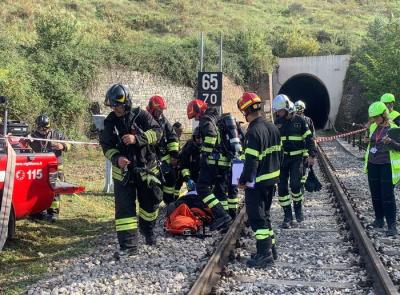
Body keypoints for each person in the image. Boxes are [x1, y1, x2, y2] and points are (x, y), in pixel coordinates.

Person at [100, 84, 163, 258]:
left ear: (126, 102)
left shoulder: (141, 115)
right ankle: (129, 247)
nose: (115, 109)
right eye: (112, 106)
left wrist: (138, 138)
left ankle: (148, 231)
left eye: (117, 105)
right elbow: (106, 146)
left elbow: (158, 132)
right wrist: (117, 158)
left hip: (146, 170)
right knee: (124, 211)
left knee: (150, 205)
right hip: (124, 174)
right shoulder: (110, 122)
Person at [237, 92, 282, 268]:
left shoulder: (253, 132)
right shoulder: (273, 128)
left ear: (247, 110)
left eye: (244, 112)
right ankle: (271, 248)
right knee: (266, 216)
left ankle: (264, 255)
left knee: (257, 218)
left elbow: (251, 162)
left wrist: (242, 180)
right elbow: (280, 154)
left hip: (258, 183)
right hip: (272, 181)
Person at [186, 99, 232, 231]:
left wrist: (204, 155)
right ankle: (226, 219)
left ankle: (222, 215)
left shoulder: (205, 119)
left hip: (213, 161)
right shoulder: (215, 117)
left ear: (199, 110)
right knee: (220, 191)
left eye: (195, 115)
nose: (195, 118)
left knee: (202, 188)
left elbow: (211, 135)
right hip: (223, 161)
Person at [273, 94, 316, 228]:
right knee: (282, 188)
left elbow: (309, 139)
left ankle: (298, 210)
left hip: (297, 159)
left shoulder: (301, 121)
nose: (278, 113)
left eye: (279, 110)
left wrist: (311, 155)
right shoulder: (278, 122)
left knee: (296, 185)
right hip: (282, 159)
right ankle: (287, 216)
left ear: (287, 108)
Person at [364, 101, 400, 236]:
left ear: (384, 115)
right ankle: (379, 220)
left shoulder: (394, 128)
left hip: (387, 166)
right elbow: (372, 141)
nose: (374, 120)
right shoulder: (373, 127)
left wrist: (391, 142)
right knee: (375, 194)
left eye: (376, 117)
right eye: (373, 117)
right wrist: (367, 140)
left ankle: (392, 225)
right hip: (373, 164)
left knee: (387, 196)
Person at [27, 115, 71, 222]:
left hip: (56, 166)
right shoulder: (32, 136)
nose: (44, 131)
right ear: (37, 127)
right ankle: (39, 212)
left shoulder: (57, 134)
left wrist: (62, 146)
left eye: (46, 128)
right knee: (39, 190)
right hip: (39, 167)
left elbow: (70, 144)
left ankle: (53, 213)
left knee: (55, 190)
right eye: (41, 129)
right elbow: (23, 143)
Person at [146, 95, 179, 204]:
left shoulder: (163, 121)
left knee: (171, 180)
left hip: (165, 159)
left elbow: (172, 137)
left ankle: (169, 203)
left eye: (162, 111)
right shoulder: (145, 119)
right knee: (155, 187)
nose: (161, 113)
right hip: (151, 161)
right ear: (152, 109)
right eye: (158, 111)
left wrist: (174, 155)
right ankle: (155, 204)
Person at [175, 126, 202, 197]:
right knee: (179, 184)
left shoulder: (206, 147)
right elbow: (184, 165)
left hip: (199, 172)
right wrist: (188, 178)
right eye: (197, 137)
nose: (200, 140)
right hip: (189, 170)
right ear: (194, 137)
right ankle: (174, 199)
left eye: (201, 137)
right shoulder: (189, 147)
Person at [294, 100, 316, 189]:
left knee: (299, 168)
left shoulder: (292, 120)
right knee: (302, 168)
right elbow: (312, 135)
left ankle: (300, 184)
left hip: (297, 149)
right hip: (305, 149)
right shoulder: (308, 120)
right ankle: (301, 184)